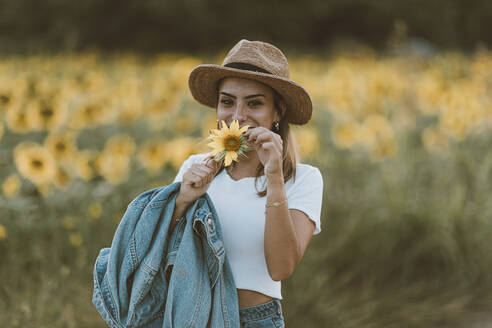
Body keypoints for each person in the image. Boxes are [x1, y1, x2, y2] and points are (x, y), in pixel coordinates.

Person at [171, 39, 323, 327]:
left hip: (254, 320)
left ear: (277, 113)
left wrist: (274, 177)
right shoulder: (193, 168)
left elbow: (280, 267)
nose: (238, 116)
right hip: (190, 316)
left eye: (254, 103)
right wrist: (182, 200)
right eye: (227, 101)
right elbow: (161, 252)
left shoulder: (303, 179)